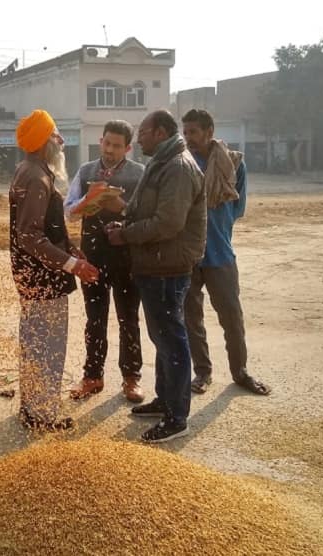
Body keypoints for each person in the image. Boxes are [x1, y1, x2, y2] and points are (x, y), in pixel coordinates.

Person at [106, 110, 206, 443]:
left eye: (143, 133)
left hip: (168, 267)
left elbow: (168, 223)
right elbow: (146, 210)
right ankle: (165, 400)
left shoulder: (177, 167)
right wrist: (126, 223)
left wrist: (127, 236)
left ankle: (177, 417)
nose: (140, 139)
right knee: (163, 338)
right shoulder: (162, 162)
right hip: (155, 264)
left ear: (160, 132)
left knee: (172, 340)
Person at [10, 109, 99, 431]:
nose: (61, 141)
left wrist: (70, 249)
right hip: (42, 278)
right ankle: (41, 415)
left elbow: (46, 228)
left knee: (36, 343)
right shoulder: (36, 176)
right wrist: (73, 264)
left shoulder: (33, 171)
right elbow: (30, 235)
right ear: (44, 142)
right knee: (46, 347)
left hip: (36, 275)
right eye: (55, 135)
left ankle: (32, 408)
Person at [181, 109, 271, 397]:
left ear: (209, 132)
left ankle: (240, 371)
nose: (188, 137)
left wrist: (213, 226)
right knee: (191, 317)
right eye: (186, 132)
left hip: (220, 255)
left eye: (193, 131)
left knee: (232, 316)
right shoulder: (182, 164)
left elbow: (237, 209)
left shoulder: (233, 164)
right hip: (188, 256)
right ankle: (202, 373)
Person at [64, 120, 145, 403]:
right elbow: (69, 212)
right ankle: (93, 376)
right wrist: (89, 201)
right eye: (107, 144)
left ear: (128, 148)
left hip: (127, 259)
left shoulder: (140, 175)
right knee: (95, 320)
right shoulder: (86, 171)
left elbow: (147, 217)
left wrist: (120, 207)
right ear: (101, 141)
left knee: (129, 319)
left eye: (117, 146)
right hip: (93, 259)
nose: (110, 150)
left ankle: (131, 377)